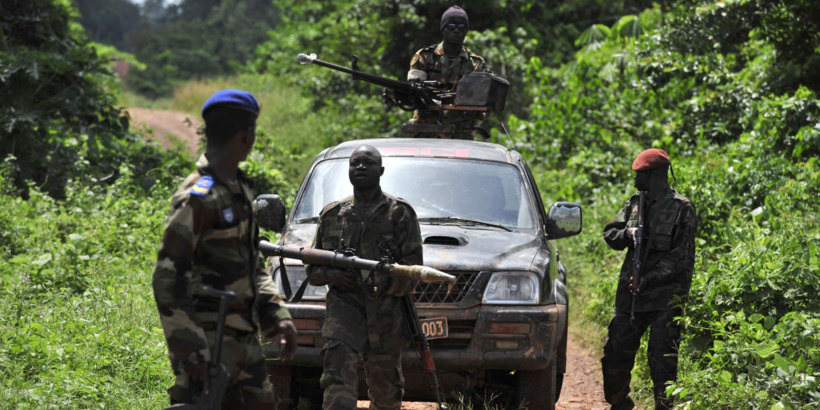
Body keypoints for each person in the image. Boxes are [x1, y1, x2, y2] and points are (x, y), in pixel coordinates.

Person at [152, 89, 298, 409]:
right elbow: (166, 278)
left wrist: (277, 314)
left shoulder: (238, 189)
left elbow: (252, 264)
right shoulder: (199, 196)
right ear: (246, 136)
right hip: (208, 348)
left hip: (245, 343)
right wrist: (191, 351)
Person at [306, 145, 423, 409]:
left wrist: (382, 282)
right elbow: (313, 270)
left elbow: (413, 271)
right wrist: (334, 275)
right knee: (336, 381)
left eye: (367, 163)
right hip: (344, 313)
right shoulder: (333, 215)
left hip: (385, 315)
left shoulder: (400, 214)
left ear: (381, 171)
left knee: (387, 395)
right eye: (354, 163)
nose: (360, 167)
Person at [601, 148, 698, 410]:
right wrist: (626, 234)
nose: (635, 180)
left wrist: (650, 278)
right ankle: (619, 401)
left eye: (640, 174)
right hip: (631, 295)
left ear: (655, 175)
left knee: (662, 360)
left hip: (665, 298)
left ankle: (664, 407)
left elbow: (681, 257)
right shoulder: (635, 203)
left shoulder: (682, 209)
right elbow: (610, 233)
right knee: (615, 352)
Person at [406, 5, 491, 139]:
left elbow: (484, 101)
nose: (456, 30)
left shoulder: (476, 64)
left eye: (461, 27)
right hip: (426, 131)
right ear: (443, 29)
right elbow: (413, 92)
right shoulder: (425, 57)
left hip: (460, 133)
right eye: (451, 26)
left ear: (466, 31)